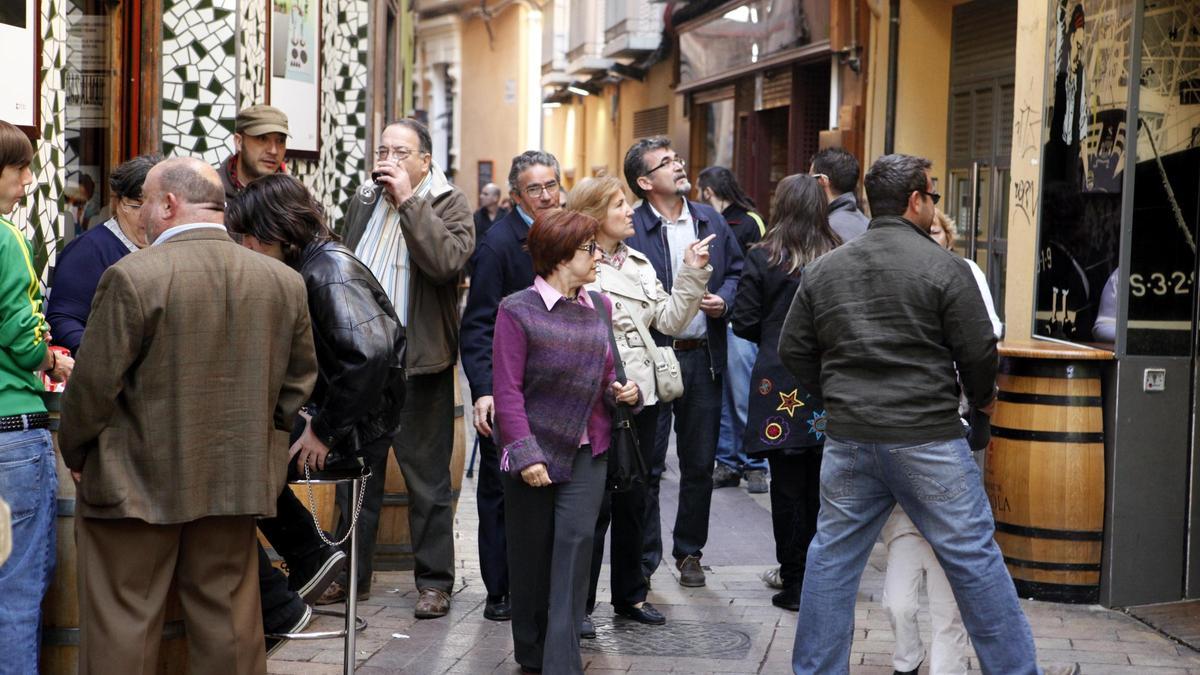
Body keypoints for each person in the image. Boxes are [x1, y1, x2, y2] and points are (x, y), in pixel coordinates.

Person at [779, 153, 1039, 674]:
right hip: (929, 438)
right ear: (917, 201)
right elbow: (978, 355)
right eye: (933, 196)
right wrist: (981, 409)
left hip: (851, 437)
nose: (934, 205)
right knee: (974, 561)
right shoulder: (945, 268)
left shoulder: (826, 268)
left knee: (832, 556)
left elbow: (793, 350)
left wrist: (834, 396)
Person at [58, 157, 317, 674]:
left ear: (169, 204)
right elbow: (297, 384)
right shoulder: (282, 281)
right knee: (229, 624)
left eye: (145, 205)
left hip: (133, 483)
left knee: (123, 625)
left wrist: (77, 450)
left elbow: (93, 385)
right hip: (233, 481)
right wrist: (259, 446)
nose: (141, 217)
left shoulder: (132, 276)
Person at [227, 174, 406, 644]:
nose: (243, 247)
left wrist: (323, 430)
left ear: (274, 232)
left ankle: (295, 577)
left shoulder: (327, 270)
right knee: (236, 465)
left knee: (237, 472)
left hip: (353, 431)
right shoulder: (314, 264)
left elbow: (368, 356)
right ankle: (301, 567)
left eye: (247, 236)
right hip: (345, 419)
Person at [330, 118, 473, 618]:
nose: (387, 160)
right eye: (383, 150)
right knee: (357, 474)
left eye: (400, 152)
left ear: (425, 161)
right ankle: (350, 576)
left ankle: (435, 583)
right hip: (367, 363)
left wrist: (410, 202)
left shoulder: (449, 204)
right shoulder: (364, 201)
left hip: (420, 364)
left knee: (426, 481)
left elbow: (444, 264)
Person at [492, 208, 640, 674]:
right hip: (533, 456)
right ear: (560, 256)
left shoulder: (600, 306)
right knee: (531, 558)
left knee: (575, 553)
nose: (597, 257)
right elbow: (507, 391)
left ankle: (562, 661)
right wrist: (526, 453)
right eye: (588, 249)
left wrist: (624, 392)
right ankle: (531, 650)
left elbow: (609, 374)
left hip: (587, 454)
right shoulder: (516, 310)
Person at [571, 176, 713, 635]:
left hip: (643, 400)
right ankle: (580, 605)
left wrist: (692, 271)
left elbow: (670, 319)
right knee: (595, 506)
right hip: (600, 399)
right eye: (618, 204)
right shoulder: (578, 261)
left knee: (637, 497)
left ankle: (631, 593)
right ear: (595, 215)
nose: (629, 211)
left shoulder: (637, 261)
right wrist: (613, 383)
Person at [622, 136, 743, 589]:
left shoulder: (707, 218)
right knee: (648, 466)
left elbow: (736, 271)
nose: (679, 165)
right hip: (653, 361)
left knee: (699, 464)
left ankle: (690, 552)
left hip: (702, 358)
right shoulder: (632, 226)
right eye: (666, 162)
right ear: (644, 181)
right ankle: (646, 559)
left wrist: (723, 301)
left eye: (677, 157)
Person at [461, 150, 564, 622]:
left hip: (557, 392)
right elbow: (478, 324)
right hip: (509, 391)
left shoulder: (566, 235)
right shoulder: (498, 244)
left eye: (551, 186)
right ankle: (499, 590)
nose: (545, 196)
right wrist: (484, 390)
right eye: (535, 189)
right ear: (516, 195)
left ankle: (542, 587)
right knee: (501, 491)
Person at [732, 174, 839, 613]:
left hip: (776, 381)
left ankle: (793, 580)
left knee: (786, 489)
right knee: (825, 487)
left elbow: (743, 321)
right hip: (829, 381)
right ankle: (824, 579)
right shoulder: (838, 255)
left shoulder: (762, 257)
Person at [0, 119, 74, 673]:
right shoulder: (8, 239)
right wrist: (53, 358)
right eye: (20, 167)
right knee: (17, 588)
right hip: (11, 433)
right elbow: (23, 337)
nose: (28, 180)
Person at [697, 166, 768, 494]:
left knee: (744, 397)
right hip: (716, 321)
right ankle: (727, 462)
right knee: (723, 397)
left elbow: (756, 273)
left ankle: (756, 464)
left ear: (708, 191)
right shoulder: (708, 221)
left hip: (740, 323)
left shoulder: (750, 221)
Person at [47, 154, 161, 356]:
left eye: (155, 207)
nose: (146, 216)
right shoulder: (89, 250)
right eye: (136, 206)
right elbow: (63, 320)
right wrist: (99, 360)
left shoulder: (171, 246)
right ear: (117, 202)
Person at [218, 104, 290, 199]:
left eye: (280, 141)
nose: (273, 151)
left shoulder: (294, 199)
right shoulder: (212, 191)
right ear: (239, 142)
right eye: (262, 139)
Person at [810, 147, 869, 243]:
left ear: (822, 181)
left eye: (811, 178)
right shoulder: (868, 224)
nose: (808, 184)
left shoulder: (826, 231)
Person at [473, 182, 508, 255]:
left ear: (496, 198)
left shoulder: (506, 216)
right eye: (481, 193)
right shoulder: (477, 216)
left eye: (485, 194)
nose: (481, 196)